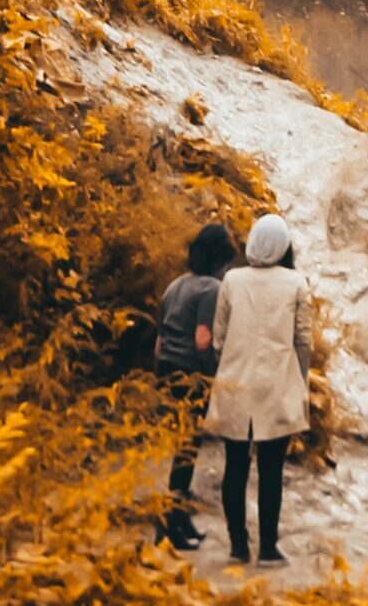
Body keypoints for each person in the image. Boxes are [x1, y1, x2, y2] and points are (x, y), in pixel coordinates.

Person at [203, 212, 314, 565]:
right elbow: (303, 342)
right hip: (277, 386)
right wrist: (303, 381)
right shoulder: (296, 283)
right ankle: (268, 548)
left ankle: (238, 546)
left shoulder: (232, 280)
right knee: (271, 471)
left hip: (235, 383)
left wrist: (233, 360)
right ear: (284, 247)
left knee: (234, 467)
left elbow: (218, 338)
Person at [153, 221, 236, 550]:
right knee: (186, 453)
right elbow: (203, 340)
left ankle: (179, 519)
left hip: (167, 373)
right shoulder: (210, 289)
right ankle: (170, 528)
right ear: (219, 258)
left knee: (180, 450)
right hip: (190, 375)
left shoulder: (176, 286)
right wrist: (212, 376)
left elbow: (159, 343)